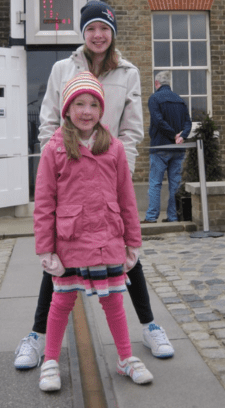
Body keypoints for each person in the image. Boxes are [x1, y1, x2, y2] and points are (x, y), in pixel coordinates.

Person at [14, 0, 174, 370]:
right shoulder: (62, 69)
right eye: (91, 29)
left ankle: (149, 326)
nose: (98, 35)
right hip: (69, 171)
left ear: (112, 33)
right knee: (57, 258)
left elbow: (133, 127)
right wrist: (56, 166)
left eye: (104, 29)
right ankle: (37, 337)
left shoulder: (129, 72)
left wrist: (120, 169)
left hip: (109, 167)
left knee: (126, 254)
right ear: (82, 34)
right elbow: (49, 120)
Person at [34, 72, 153, 391]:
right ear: (67, 109)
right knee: (62, 301)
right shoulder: (54, 149)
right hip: (70, 241)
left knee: (114, 300)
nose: (86, 111)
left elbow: (127, 198)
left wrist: (133, 243)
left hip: (107, 239)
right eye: (78, 104)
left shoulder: (113, 148)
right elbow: (44, 202)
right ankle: (50, 361)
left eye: (92, 104)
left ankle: (125, 357)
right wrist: (46, 249)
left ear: (101, 110)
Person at [141, 71, 192, 224]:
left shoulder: (154, 98)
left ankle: (151, 217)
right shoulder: (180, 100)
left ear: (157, 83)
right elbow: (188, 123)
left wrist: (173, 135)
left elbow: (158, 121)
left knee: (155, 183)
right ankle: (173, 216)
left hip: (160, 147)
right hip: (178, 149)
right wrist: (182, 136)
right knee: (175, 184)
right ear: (169, 84)